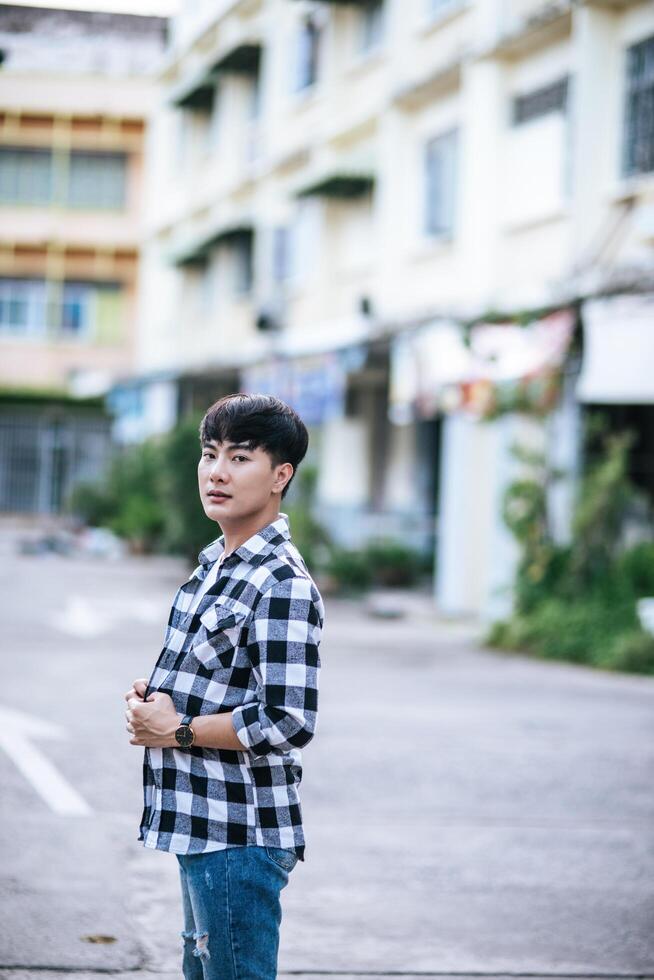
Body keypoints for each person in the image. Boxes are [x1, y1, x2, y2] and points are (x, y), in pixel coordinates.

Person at [123, 392, 325, 980]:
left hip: (239, 832)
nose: (216, 471)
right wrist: (155, 696)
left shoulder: (279, 580)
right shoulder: (216, 563)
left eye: (240, 458)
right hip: (200, 823)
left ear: (280, 475)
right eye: (210, 454)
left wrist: (177, 728)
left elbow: (287, 719)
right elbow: (221, 678)